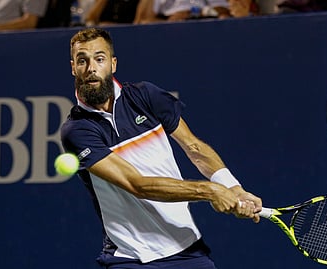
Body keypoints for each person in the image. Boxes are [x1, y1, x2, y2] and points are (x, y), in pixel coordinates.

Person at [61, 27, 262, 268]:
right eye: (82, 60)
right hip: (131, 257)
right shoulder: (77, 130)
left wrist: (232, 187)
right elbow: (137, 184)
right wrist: (210, 191)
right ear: (73, 67)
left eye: (99, 58)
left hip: (187, 250)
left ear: (113, 64)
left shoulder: (145, 95)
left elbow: (194, 147)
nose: (91, 68)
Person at [134, 0, 231, 24]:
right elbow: (142, 21)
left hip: (201, 22)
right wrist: (169, 24)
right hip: (167, 31)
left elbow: (223, 10)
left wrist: (193, 13)